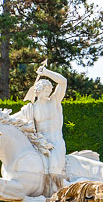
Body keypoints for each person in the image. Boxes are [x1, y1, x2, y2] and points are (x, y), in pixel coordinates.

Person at [14, 62, 68, 193]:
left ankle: (55, 193)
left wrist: (47, 73)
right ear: (37, 91)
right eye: (45, 90)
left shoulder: (54, 101)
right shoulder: (30, 109)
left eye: (49, 90)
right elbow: (13, 119)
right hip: (39, 144)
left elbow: (63, 82)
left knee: (54, 169)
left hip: (55, 142)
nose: (48, 92)